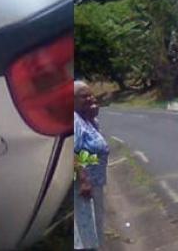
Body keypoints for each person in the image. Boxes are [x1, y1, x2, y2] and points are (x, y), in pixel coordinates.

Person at [74, 81, 109, 250]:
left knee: (94, 228)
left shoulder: (85, 119)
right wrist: (84, 180)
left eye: (90, 94)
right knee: (84, 231)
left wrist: (91, 116)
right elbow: (73, 152)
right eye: (83, 96)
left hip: (95, 183)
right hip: (84, 186)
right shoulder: (74, 120)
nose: (89, 98)